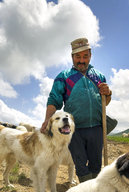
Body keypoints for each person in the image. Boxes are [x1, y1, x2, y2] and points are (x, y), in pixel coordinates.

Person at [40, 37, 112, 183]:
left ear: (90, 56)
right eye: (78, 56)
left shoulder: (99, 77)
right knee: (80, 165)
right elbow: (54, 100)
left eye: (85, 56)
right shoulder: (64, 77)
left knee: (96, 165)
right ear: (72, 57)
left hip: (96, 128)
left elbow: (105, 103)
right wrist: (48, 119)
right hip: (74, 129)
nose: (81, 60)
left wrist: (108, 93)